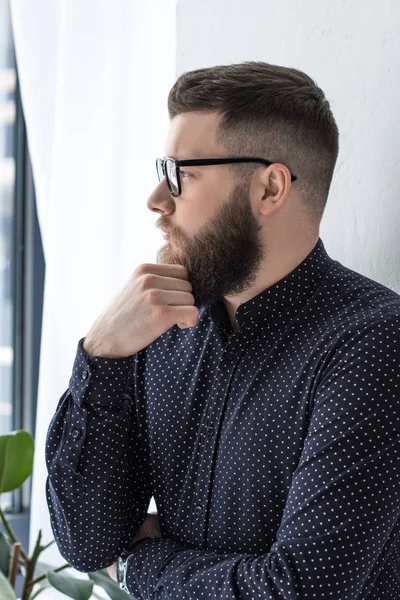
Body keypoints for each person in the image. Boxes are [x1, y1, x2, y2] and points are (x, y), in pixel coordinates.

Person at [45, 61, 400, 599]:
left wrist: (142, 567)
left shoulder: (373, 344)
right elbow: (88, 543)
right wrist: (102, 352)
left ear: (270, 187)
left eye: (179, 175)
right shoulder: (155, 329)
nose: (156, 201)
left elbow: (300, 591)